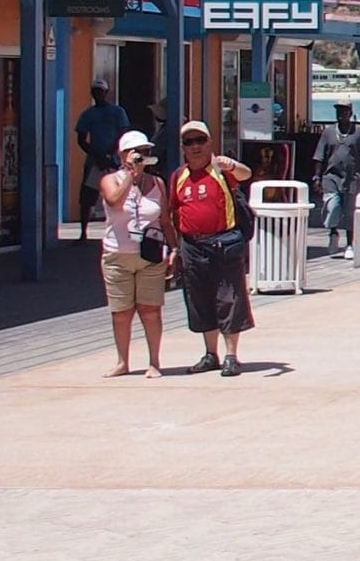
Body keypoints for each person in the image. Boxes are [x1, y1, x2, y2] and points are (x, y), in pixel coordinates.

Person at [169, 121, 253, 376]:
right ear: (183, 147)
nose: (195, 147)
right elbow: (173, 211)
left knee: (229, 298)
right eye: (189, 142)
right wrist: (176, 247)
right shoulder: (178, 176)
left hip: (224, 242)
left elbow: (246, 174)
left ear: (209, 143)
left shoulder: (221, 169)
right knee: (199, 299)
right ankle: (210, 354)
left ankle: (231, 355)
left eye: (199, 141)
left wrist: (232, 165)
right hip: (193, 246)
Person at [98, 130, 174, 379]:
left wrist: (175, 249)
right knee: (121, 312)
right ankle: (122, 361)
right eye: (136, 152)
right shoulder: (111, 180)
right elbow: (113, 202)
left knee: (150, 310)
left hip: (150, 254)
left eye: (146, 151)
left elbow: (164, 220)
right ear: (123, 155)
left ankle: (154, 361)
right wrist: (130, 177)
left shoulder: (157, 183)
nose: (143, 156)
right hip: (117, 255)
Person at [74, 79, 131, 243]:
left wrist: (110, 153)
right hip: (94, 161)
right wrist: (97, 155)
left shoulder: (118, 112)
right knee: (87, 197)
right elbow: (81, 139)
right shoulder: (87, 114)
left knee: (122, 195)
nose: (98, 94)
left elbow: (123, 134)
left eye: (101, 91)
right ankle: (83, 233)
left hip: (114, 160)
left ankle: (124, 230)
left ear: (106, 92)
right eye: (95, 91)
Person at [313, 103, 360, 259]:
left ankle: (350, 244)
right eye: (338, 111)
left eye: (344, 111)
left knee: (350, 212)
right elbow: (319, 156)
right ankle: (332, 232)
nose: (340, 114)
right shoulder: (328, 132)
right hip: (331, 177)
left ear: (350, 113)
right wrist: (317, 176)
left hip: (353, 178)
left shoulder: (359, 132)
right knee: (333, 206)